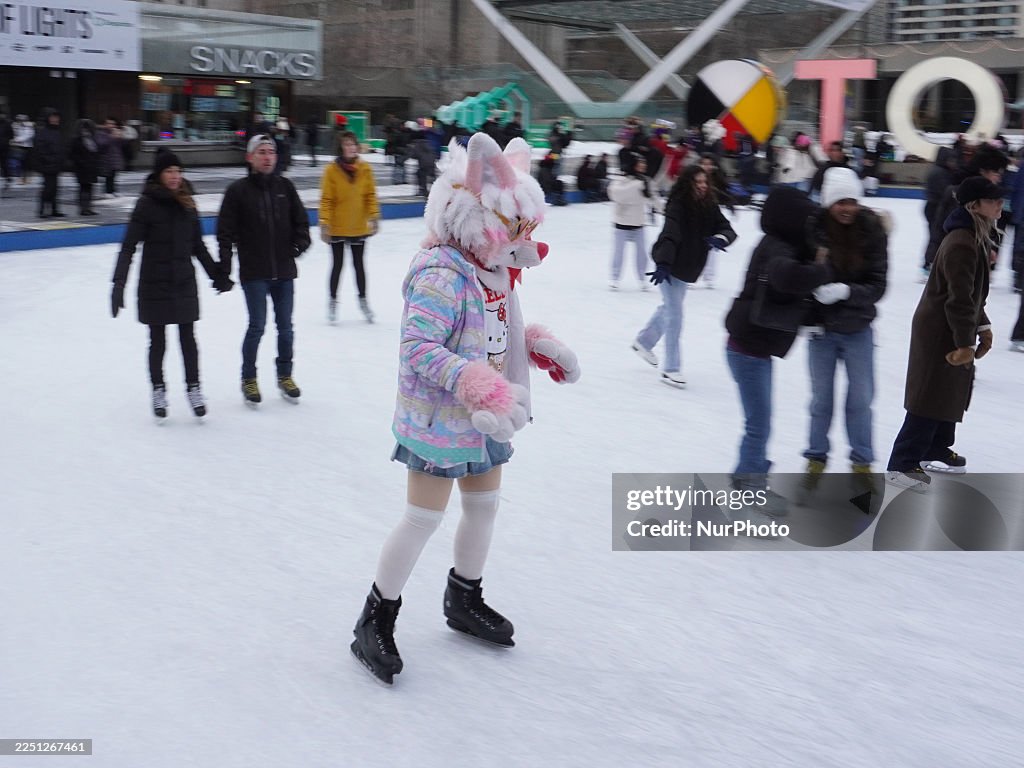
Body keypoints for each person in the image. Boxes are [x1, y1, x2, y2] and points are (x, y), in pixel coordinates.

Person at [349, 133, 580, 685]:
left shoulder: (495, 269)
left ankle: (464, 599)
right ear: (479, 219)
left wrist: (536, 345)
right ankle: (373, 619)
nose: (524, 240)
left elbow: (495, 334)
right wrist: (476, 382)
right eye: (516, 229)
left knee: (484, 508)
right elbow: (418, 349)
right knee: (423, 517)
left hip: (490, 416)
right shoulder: (440, 271)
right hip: (441, 418)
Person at [885, 176, 1002, 491]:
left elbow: (971, 295)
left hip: (953, 323)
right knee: (930, 395)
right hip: (941, 328)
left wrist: (983, 326)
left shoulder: (974, 236)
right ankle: (901, 464)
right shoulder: (962, 242)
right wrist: (966, 341)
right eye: (994, 201)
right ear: (974, 205)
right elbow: (959, 298)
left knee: (951, 388)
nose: (1000, 206)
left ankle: (936, 447)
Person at [724, 186, 834, 518]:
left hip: (752, 346)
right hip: (747, 348)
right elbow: (786, 278)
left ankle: (748, 475)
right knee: (759, 423)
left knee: (760, 421)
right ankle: (748, 491)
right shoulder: (777, 248)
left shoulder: (784, 244)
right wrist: (825, 270)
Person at [111, 151, 232, 421]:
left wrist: (216, 275)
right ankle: (158, 389)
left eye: (178, 170)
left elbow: (197, 246)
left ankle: (194, 387)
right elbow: (129, 247)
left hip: (183, 281)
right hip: (154, 283)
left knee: (188, 339)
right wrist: (118, 283)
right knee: (158, 341)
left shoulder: (188, 204)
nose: (175, 176)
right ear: (158, 175)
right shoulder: (145, 205)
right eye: (169, 171)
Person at [801, 167, 889, 487]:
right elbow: (801, 275)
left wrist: (847, 292)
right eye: (840, 202)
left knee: (861, 399)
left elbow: (879, 285)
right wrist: (808, 316)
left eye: (852, 201)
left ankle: (862, 462)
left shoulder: (871, 231)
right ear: (828, 203)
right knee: (821, 400)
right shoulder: (813, 230)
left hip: (858, 330)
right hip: (821, 332)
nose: (847, 208)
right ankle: (815, 457)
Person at [216, 134, 311, 407]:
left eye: (271, 152)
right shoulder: (237, 191)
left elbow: (301, 223)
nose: (267, 156)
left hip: (284, 272)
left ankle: (285, 375)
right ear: (250, 157)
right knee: (257, 326)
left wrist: (298, 245)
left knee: (286, 328)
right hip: (254, 272)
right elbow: (225, 234)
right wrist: (224, 268)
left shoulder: (286, 187)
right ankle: (249, 378)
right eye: (261, 152)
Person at [632, 165, 736, 388]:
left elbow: (727, 228)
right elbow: (670, 234)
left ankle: (644, 341)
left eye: (704, 182)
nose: (702, 186)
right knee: (675, 315)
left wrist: (720, 238)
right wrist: (663, 263)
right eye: (697, 182)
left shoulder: (709, 205)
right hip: (669, 265)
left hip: (688, 266)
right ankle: (671, 368)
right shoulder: (677, 205)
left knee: (670, 307)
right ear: (688, 183)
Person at [319, 130, 381, 324]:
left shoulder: (365, 169)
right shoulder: (331, 170)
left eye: (353, 144)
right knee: (337, 265)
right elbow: (326, 199)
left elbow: (370, 195)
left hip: (358, 226)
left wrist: (374, 216)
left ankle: (363, 301)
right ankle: (332, 302)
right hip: (337, 226)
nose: (350, 148)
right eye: (346, 145)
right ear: (341, 148)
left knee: (359, 266)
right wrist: (324, 222)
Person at [607, 151, 662, 291]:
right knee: (619, 253)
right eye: (640, 162)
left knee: (642, 253)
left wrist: (665, 210)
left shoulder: (646, 181)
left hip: (638, 223)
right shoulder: (622, 179)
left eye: (644, 162)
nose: (643, 165)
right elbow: (616, 194)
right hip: (621, 224)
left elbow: (655, 199)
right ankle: (614, 277)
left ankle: (643, 278)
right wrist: (637, 187)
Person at [33, 108, 65, 218]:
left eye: (57, 117)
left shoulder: (57, 132)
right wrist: (49, 159)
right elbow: (39, 149)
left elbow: (60, 148)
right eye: (53, 117)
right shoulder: (42, 132)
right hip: (47, 164)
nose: (56, 119)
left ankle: (54, 209)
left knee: (55, 188)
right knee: (48, 188)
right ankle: (42, 209)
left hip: (56, 164)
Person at [68, 118, 100, 216]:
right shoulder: (76, 140)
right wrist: (82, 163)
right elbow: (73, 154)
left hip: (91, 167)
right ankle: (83, 208)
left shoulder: (92, 139)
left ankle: (88, 207)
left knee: (89, 188)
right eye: (84, 129)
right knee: (84, 188)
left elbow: (96, 152)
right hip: (82, 168)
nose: (85, 131)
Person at [96, 118, 124, 197]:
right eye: (109, 124)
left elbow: (121, 146)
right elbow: (101, 144)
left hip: (114, 158)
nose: (111, 126)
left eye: (113, 124)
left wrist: (120, 138)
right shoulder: (101, 134)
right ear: (105, 125)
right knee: (108, 176)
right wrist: (111, 137)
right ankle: (107, 191)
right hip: (106, 158)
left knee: (113, 176)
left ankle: (112, 190)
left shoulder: (115, 133)